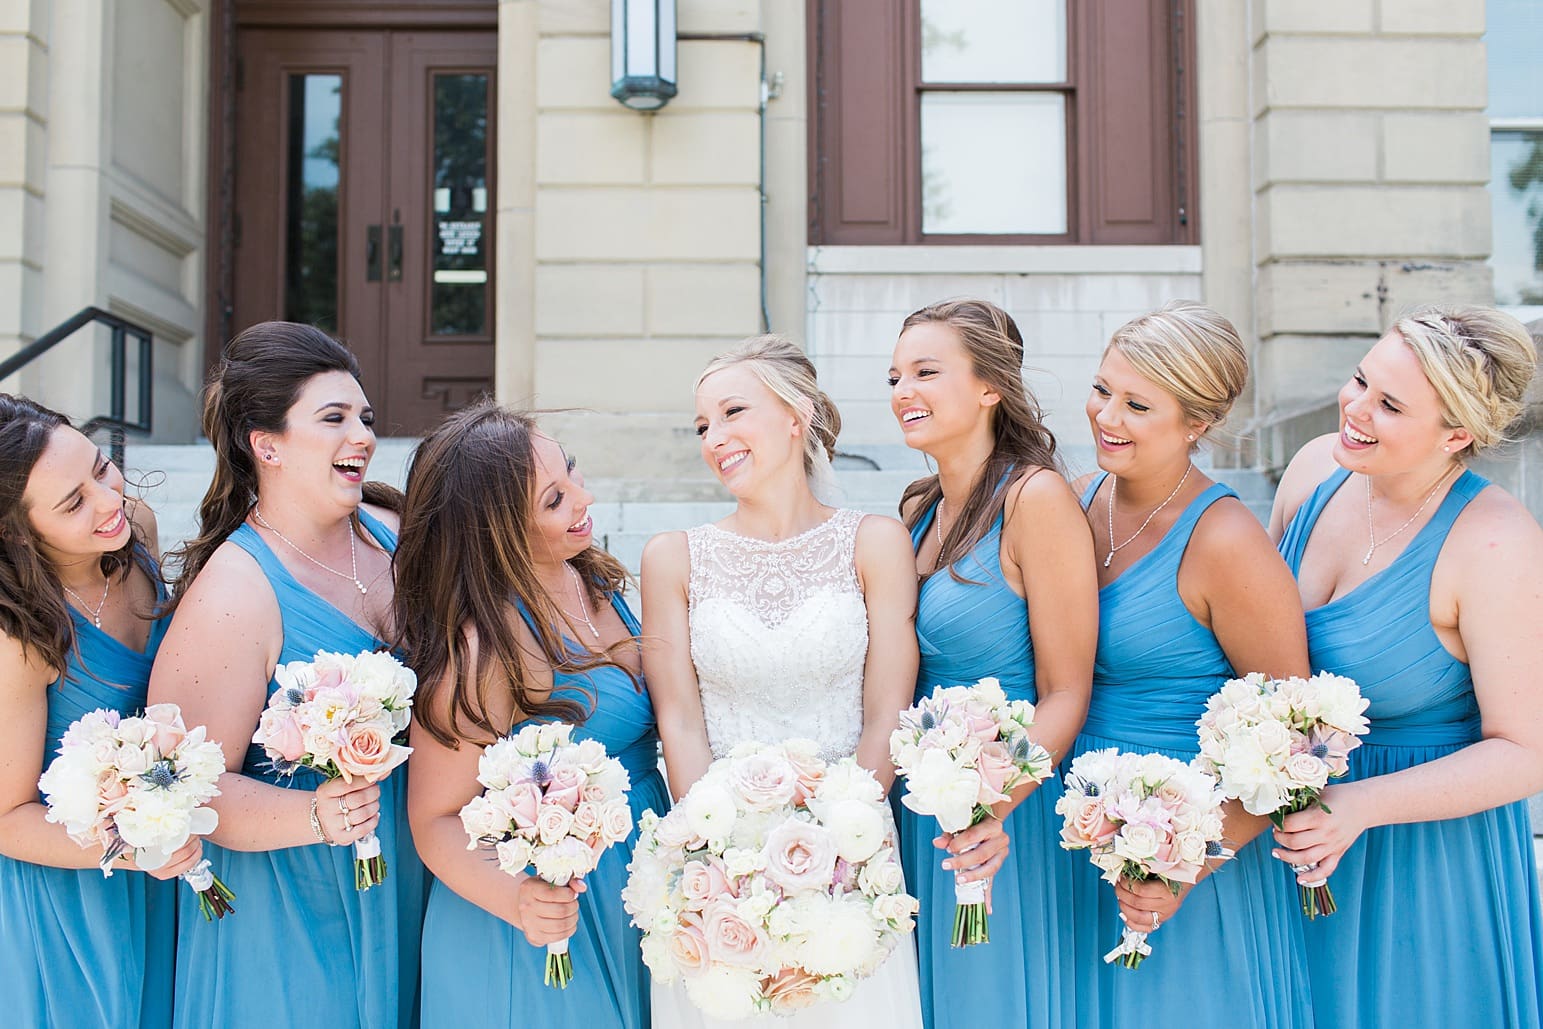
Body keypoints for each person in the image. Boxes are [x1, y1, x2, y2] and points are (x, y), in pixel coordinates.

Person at [1270, 304, 1543, 1026]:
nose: (1354, 409)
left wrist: (1357, 806)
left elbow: (1526, 753)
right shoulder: (1312, 470)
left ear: (1456, 434)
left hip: (1424, 863)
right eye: (1359, 380)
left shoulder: (1493, 542)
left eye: (1388, 405)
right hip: (1290, 842)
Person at [642, 334, 924, 1028]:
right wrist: (727, 864)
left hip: (852, 863)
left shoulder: (875, 541)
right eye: (704, 425)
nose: (716, 438)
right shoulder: (672, 558)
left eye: (734, 411)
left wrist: (840, 848)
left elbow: (887, 707)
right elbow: (678, 719)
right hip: (720, 874)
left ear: (795, 416)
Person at [148, 322, 424, 1029]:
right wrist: (312, 813)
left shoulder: (394, 537)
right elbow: (180, 786)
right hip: (295, 909)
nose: (360, 435)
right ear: (264, 444)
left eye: (363, 417)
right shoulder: (234, 593)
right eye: (331, 418)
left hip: (412, 874)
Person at [1063, 300, 1312, 1027]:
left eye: (1137, 403)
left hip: (1185, 858)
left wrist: (1184, 860)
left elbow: (1295, 739)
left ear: (1196, 422)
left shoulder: (1226, 540)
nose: (1106, 415)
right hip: (1083, 836)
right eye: (1101, 388)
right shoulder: (1077, 499)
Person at [394, 402, 667, 1028]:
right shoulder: (482, 649)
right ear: (498, 533)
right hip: (539, 919)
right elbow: (434, 818)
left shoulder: (587, 578)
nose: (583, 498)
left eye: (571, 473)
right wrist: (519, 899)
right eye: (553, 499)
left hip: (632, 880)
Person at [887, 298, 1098, 1029]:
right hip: (920, 805)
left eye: (924, 371)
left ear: (989, 387)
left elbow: (1066, 690)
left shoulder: (1034, 499)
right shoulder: (917, 507)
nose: (901, 391)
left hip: (1006, 810)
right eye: (894, 376)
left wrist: (990, 808)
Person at [0, 395, 201, 1028]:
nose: (109, 499)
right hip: (72, 892)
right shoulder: (20, 637)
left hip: (160, 869)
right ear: (15, 530)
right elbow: (6, 818)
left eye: (100, 468)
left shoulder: (135, 526)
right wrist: (134, 844)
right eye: (73, 503)